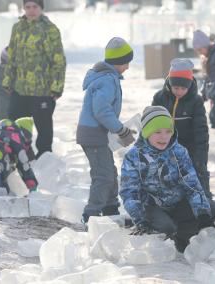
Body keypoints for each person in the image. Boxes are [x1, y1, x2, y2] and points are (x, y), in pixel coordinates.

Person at [120, 106, 215, 252]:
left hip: (177, 204)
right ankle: (170, 229)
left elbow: (192, 185)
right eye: (157, 132)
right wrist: (140, 219)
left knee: (211, 209)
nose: (164, 137)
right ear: (147, 132)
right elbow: (129, 192)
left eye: (168, 131)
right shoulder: (133, 156)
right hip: (151, 206)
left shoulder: (179, 152)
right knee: (166, 227)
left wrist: (203, 216)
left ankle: (181, 232)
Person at [76, 37, 135, 223]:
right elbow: (101, 110)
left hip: (98, 134)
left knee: (109, 172)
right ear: (117, 62)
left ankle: (111, 210)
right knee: (103, 176)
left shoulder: (107, 77)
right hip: (93, 135)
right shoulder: (107, 80)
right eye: (126, 63)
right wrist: (121, 130)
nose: (127, 67)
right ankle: (91, 215)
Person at [3, 0, 66, 158]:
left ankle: (45, 160)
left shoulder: (50, 29)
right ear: (24, 8)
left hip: (43, 91)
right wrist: (7, 81)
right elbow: (11, 57)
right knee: (15, 127)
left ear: (41, 8)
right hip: (20, 89)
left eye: (35, 7)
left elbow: (58, 60)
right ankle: (22, 157)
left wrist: (57, 86)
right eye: (28, 7)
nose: (31, 10)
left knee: (44, 130)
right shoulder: (17, 28)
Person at [152, 58, 212, 199]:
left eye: (183, 88)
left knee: (197, 174)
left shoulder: (196, 101)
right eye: (176, 88)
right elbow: (151, 124)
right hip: (164, 147)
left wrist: (200, 158)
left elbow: (201, 131)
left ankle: (205, 204)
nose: (179, 91)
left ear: (190, 85)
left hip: (188, 148)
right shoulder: (160, 98)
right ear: (169, 84)